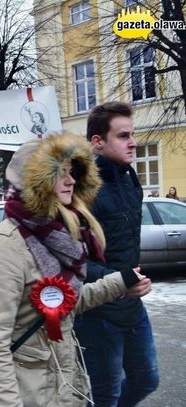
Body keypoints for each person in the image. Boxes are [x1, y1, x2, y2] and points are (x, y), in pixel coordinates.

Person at [0, 134, 151, 407]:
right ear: (38, 183)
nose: (71, 181)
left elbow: (64, 302)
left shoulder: (56, 235)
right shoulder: (6, 247)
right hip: (30, 393)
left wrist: (119, 282)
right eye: (61, 174)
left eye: (72, 173)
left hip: (63, 385)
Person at [74, 101, 159, 406]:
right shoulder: (80, 189)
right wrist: (123, 281)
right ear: (97, 142)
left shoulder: (128, 178)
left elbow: (124, 245)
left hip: (131, 305)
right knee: (103, 394)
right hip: (97, 311)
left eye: (132, 134)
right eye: (123, 136)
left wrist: (129, 281)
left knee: (147, 379)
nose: (133, 142)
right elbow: (74, 262)